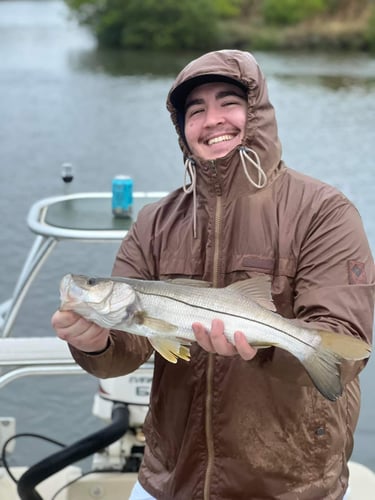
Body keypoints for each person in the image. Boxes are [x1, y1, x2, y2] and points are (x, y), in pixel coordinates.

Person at [52, 50, 374, 500]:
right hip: (170, 478)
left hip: (289, 484)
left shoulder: (324, 212)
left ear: (257, 112)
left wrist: (262, 348)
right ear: (183, 130)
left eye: (229, 102)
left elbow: (345, 348)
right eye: (195, 110)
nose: (212, 120)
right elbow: (131, 346)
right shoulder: (153, 222)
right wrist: (96, 343)